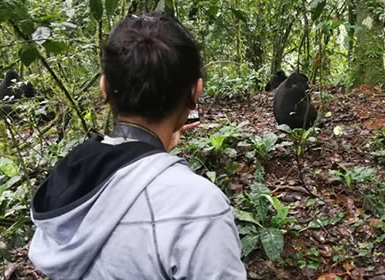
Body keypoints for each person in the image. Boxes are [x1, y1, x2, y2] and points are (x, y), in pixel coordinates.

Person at [28, 12, 247, 280]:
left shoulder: (67, 186)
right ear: (195, 92)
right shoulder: (198, 206)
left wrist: (157, 152)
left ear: (104, 88)